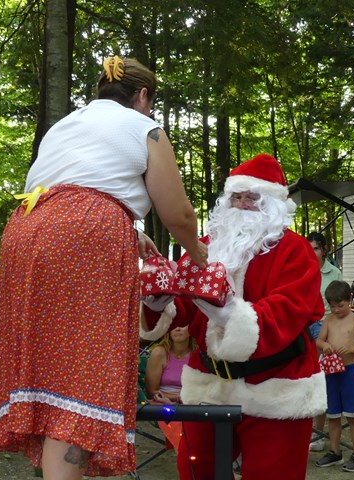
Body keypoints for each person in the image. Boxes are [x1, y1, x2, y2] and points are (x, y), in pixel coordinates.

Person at [0, 55, 208, 480]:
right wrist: (198, 254)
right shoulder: (145, 127)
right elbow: (178, 214)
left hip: (26, 229)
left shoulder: (65, 125)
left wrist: (128, 230)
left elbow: (70, 186)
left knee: (51, 367)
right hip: (85, 235)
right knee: (86, 368)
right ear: (143, 96)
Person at [140, 153, 327, 480]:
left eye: (251, 198)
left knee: (272, 476)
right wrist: (159, 304)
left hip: (275, 386)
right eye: (235, 197)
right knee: (196, 471)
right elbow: (183, 306)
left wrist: (230, 313)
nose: (241, 205)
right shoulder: (205, 246)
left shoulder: (295, 250)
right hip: (209, 385)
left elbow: (288, 311)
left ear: (273, 204)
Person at [315, 280, 354, 472]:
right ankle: (335, 451)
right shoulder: (328, 320)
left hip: (349, 371)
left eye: (340, 305)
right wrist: (325, 345)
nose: (337, 310)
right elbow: (319, 341)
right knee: (333, 414)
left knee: (353, 415)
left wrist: (351, 349)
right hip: (331, 372)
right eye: (333, 306)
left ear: (349, 299)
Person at [306, 231, 343, 452]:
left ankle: (317, 434)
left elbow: (340, 308)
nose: (312, 253)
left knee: (319, 381)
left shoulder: (334, 273)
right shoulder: (301, 269)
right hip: (303, 325)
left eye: (316, 248)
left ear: (324, 250)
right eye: (309, 248)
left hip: (324, 327)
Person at [145, 325, 196, 404]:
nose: (177, 328)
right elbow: (151, 392)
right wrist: (178, 398)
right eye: (174, 324)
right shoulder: (159, 353)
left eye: (182, 324)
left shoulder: (198, 354)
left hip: (191, 404)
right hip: (160, 403)